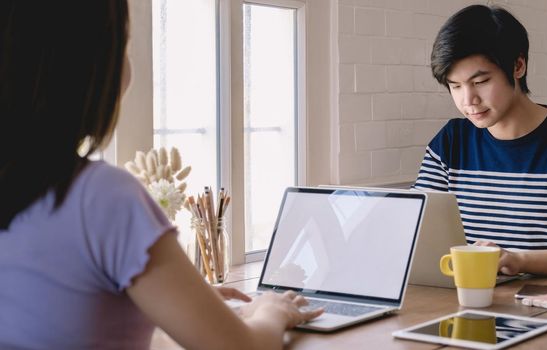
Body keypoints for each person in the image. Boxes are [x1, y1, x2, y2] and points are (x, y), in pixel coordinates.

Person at [0, 1, 321, 349]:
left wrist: (176, 299)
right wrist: (272, 310)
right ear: (89, 64)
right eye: (123, 44)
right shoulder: (101, 195)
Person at [414, 5, 547, 277]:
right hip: (469, 301)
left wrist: (519, 261)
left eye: (480, 82)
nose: (468, 101)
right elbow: (415, 228)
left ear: (518, 65)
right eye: (455, 86)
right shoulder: (451, 141)